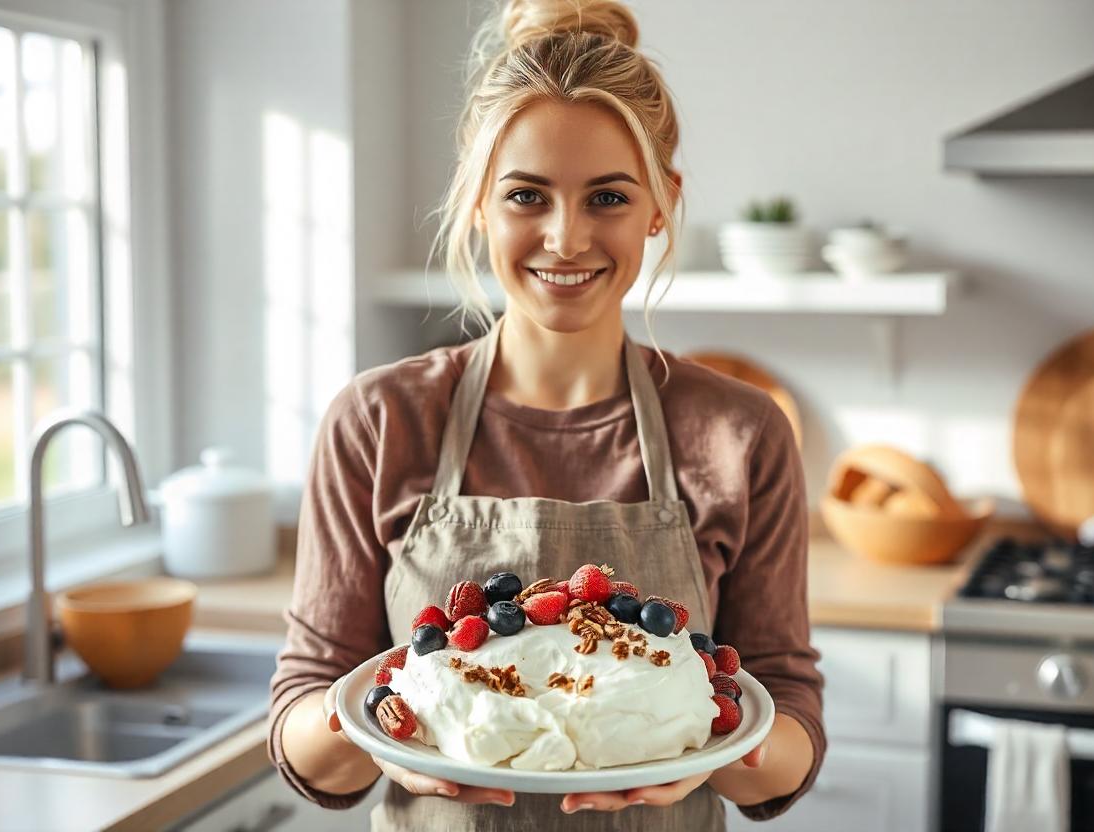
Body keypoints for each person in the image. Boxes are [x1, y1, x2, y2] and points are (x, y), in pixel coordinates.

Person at [268, 0, 825, 828]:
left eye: (607, 197)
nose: (566, 239)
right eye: (528, 195)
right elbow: (308, 730)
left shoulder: (742, 434)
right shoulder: (379, 421)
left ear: (663, 204)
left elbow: (782, 726)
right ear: (477, 203)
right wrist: (388, 730)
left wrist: (714, 753)